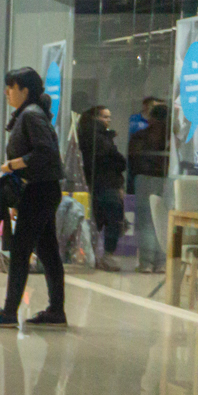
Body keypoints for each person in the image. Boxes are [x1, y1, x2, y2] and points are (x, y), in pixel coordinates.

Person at [0, 67, 68, 330]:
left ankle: (9, 313)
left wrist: (15, 164)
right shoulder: (29, 114)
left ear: (25, 90)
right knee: (48, 252)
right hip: (40, 189)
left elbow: (46, 153)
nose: (7, 92)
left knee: (20, 251)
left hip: (39, 190)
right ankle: (56, 311)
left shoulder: (31, 115)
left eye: (11, 87)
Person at [78, 105, 127, 272]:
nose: (108, 120)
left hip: (95, 183)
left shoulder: (87, 135)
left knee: (97, 220)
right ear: (95, 118)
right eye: (105, 117)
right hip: (106, 183)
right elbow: (114, 160)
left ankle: (93, 255)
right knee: (113, 219)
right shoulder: (99, 138)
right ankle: (105, 255)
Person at [129, 100, 171, 272]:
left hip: (144, 178)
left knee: (146, 221)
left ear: (151, 118)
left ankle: (146, 263)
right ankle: (161, 262)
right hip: (165, 179)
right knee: (163, 221)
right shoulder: (171, 138)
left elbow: (133, 158)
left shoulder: (141, 136)